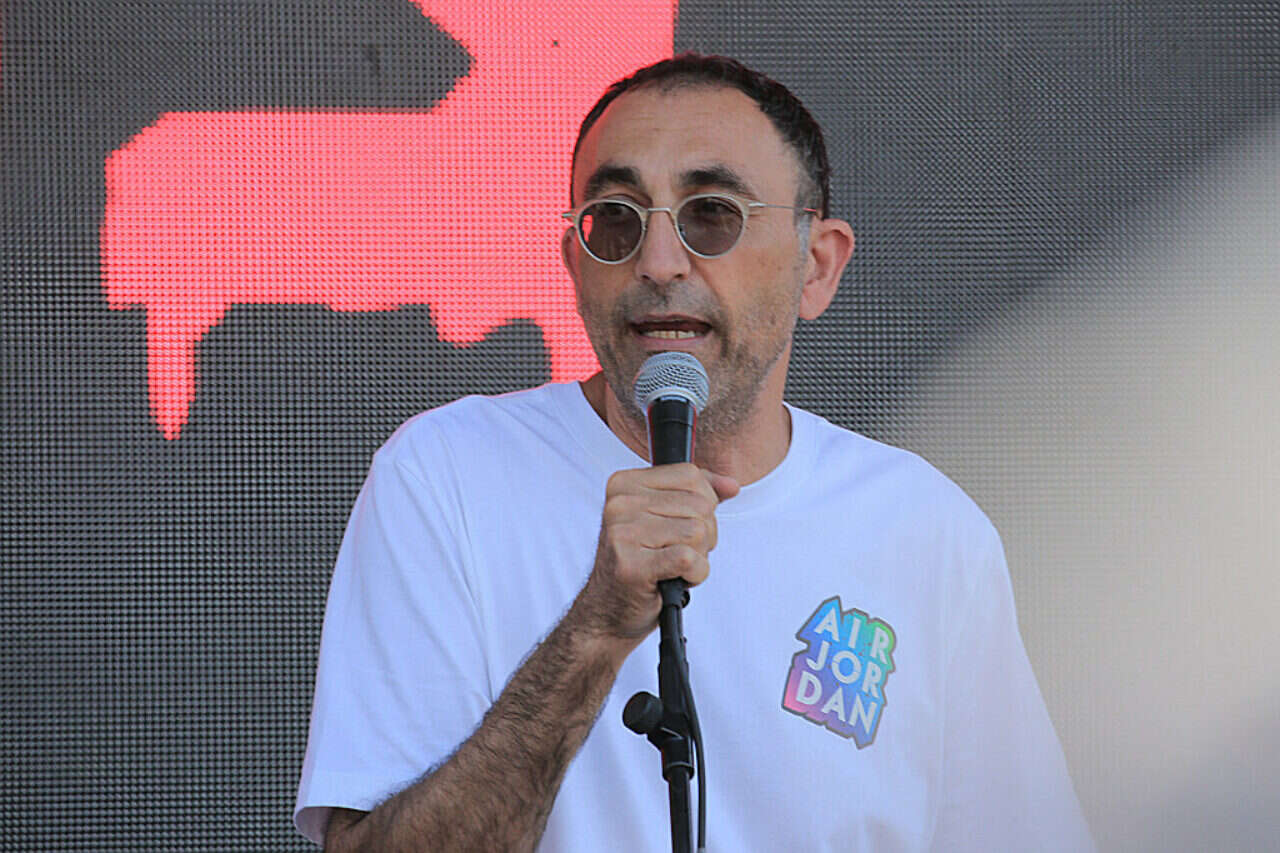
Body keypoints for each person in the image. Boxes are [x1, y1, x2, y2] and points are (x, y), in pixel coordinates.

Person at [294, 53, 1094, 851]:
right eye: (615, 219)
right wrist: (595, 630)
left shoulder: (926, 530)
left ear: (816, 267)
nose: (658, 262)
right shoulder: (446, 476)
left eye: (711, 214)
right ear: (574, 265)